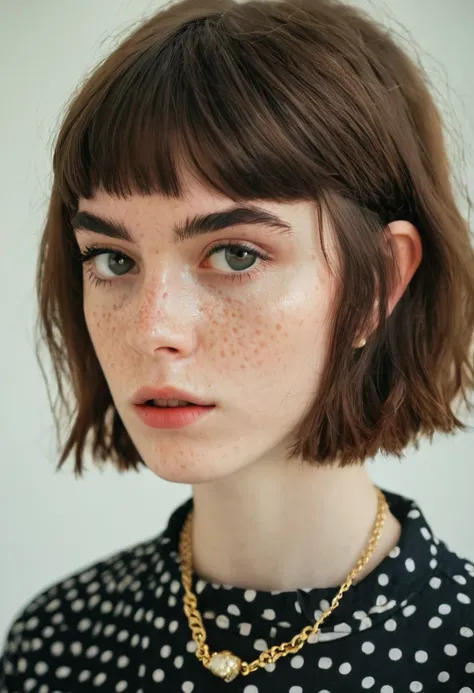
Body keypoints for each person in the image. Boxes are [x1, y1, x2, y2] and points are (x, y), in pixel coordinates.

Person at [2, 0, 474, 690]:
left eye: (234, 255)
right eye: (112, 259)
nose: (152, 328)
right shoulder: (57, 644)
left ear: (381, 282)